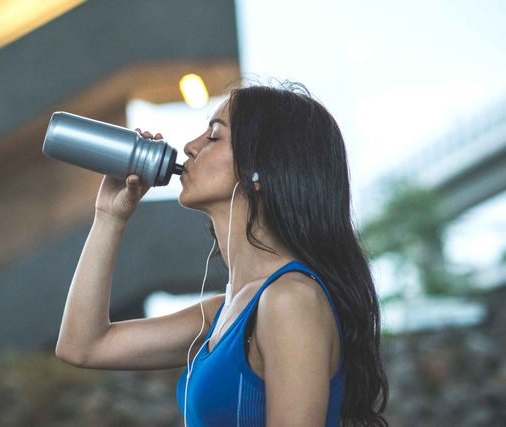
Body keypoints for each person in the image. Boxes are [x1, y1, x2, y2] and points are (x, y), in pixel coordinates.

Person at [55, 80, 389, 426]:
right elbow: (82, 346)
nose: (189, 147)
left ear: (260, 170)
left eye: (213, 136)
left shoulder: (290, 300)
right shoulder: (224, 310)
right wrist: (109, 216)